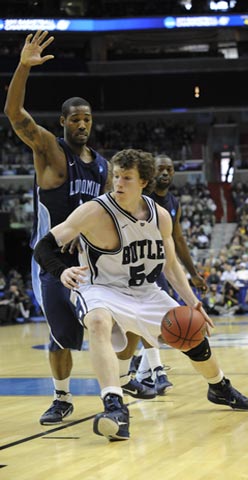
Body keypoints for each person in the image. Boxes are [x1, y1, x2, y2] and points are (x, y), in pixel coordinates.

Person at [34, 148, 248, 442]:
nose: (119, 184)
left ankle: (219, 387)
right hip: (101, 289)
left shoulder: (160, 216)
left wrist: (194, 304)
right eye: (116, 176)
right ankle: (114, 406)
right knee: (98, 322)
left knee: (193, 334)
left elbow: (171, 266)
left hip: (145, 292)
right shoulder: (94, 211)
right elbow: (43, 247)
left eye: (127, 178)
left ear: (144, 182)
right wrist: (61, 271)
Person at [4, 30, 153, 427]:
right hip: (53, 261)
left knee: (122, 325)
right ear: (64, 122)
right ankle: (61, 397)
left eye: (87, 118)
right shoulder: (51, 152)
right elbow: (16, 116)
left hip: (91, 262)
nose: (82, 124)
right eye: (75, 119)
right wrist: (23, 67)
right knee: (62, 336)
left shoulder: (104, 166)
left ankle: (126, 380)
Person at [133, 153, 209, 395]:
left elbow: (178, 239)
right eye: (160, 169)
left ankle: (145, 372)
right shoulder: (142, 199)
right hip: (138, 264)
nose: (165, 173)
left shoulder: (174, 202)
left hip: (162, 266)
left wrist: (193, 273)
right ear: (150, 172)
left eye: (169, 169)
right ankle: (156, 372)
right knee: (155, 319)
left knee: (160, 321)